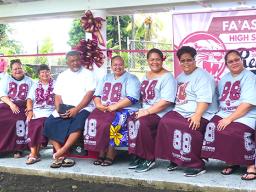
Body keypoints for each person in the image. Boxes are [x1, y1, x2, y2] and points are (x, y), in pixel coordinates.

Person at [155, 46, 217, 177]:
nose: (186, 63)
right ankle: (176, 159)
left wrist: (197, 116)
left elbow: (204, 100)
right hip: (181, 111)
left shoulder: (203, 77)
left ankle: (197, 164)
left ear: (195, 60)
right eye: (182, 61)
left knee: (189, 127)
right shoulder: (180, 77)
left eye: (189, 60)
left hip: (202, 112)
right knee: (165, 122)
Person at [201, 50, 256, 181]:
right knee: (211, 127)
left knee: (236, 131)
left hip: (246, 114)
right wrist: (223, 116)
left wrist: (229, 119)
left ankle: (251, 166)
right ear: (226, 64)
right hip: (225, 112)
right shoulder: (224, 78)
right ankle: (232, 161)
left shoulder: (250, 77)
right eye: (230, 61)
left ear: (241, 60)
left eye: (237, 59)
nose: (234, 63)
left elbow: (248, 104)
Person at [84, 55, 140, 166]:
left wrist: (115, 106)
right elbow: (97, 94)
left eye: (120, 64)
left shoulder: (131, 78)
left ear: (124, 65)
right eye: (115, 64)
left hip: (125, 109)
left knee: (112, 122)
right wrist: (99, 105)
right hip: (106, 108)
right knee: (93, 119)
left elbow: (132, 98)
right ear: (111, 66)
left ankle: (110, 152)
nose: (117, 67)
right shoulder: (106, 77)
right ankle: (101, 151)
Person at [44, 50, 96, 168]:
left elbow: (89, 95)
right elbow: (57, 95)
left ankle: (63, 150)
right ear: (67, 62)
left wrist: (76, 110)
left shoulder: (88, 74)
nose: (75, 63)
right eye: (72, 61)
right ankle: (60, 154)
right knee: (49, 123)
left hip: (83, 107)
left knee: (77, 123)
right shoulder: (62, 76)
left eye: (77, 60)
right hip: (64, 107)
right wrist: (59, 110)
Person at [128, 48, 177, 172]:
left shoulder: (168, 77)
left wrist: (147, 112)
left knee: (143, 123)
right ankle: (138, 154)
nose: (154, 62)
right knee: (131, 119)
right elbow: (142, 96)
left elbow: (166, 101)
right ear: (147, 61)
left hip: (161, 112)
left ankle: (149, 158)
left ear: (162, 60)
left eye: (157, 59)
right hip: (146, 109)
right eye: (151, 59)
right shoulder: (146, 75)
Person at [0, 59, 33, 158]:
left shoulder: (29, 81)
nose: (17, 70)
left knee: (17, 120)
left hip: (22, 105)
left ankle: (17, 148)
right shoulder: (7, 79)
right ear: (11, 70)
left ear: (23, 68)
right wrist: (11, 104)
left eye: (19, 68)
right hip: (8, 104)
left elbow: (31, 97)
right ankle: (2, 149)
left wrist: (29, 107)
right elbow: (2, 94)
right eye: (15, 69)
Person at [25, 64, 55, 164]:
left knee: (40, 123)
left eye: (47, 71)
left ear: (50, 73)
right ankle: (35, 153)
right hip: (36, 111)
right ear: (39, 75)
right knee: (33, 123)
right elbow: (29, 99)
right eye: (42, 72)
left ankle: (34, 154)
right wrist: (30, 111)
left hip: (51, 111)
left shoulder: (56, 84)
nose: (45, 74)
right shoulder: (35, 85)